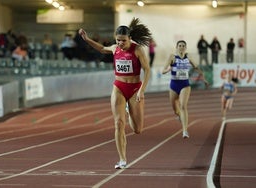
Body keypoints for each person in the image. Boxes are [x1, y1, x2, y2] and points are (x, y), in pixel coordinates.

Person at [79, 17, 151, 169]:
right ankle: (122, 159)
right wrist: (87, 39)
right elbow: (101, 48)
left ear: (130, 39)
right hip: (118, 87)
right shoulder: (115, 49)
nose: (120, 43)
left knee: (138, 129)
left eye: (123, 40)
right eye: (118, 40)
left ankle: (129, 109)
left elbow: (147, 70)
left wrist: (141, 91)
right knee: (118, 124)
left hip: (134, 89)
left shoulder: (137, 50)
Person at [162, 40, 208, 139]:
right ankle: (178, 115)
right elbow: (163, 71)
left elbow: (197, 67)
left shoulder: (189, 57)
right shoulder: (172, 57)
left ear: (185, 48)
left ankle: (185, 131)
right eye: (180, 45)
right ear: (177, 47)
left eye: (183, 46)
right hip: (173, 85)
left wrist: (203, 78)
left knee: (183, 106)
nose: (181, 47)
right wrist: (168, 69)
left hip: (185, 85)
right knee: (175, 109)